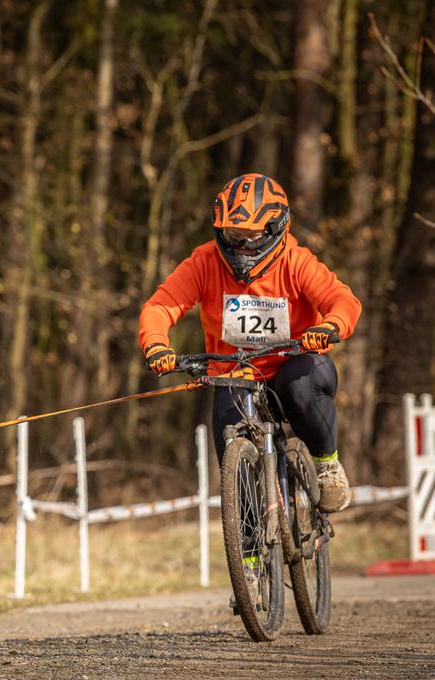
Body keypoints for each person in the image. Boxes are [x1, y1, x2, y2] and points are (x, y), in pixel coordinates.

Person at [138, 172, 362, 514]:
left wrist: (331, 325)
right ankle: (248, 542)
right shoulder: (204, 262)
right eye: (233, 236)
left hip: (294, 364)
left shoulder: (296, 261)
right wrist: (156, 345)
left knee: (300, 390)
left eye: (252, 237)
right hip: (235, 372)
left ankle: (327, 464)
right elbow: (160, 306)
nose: (241, 248)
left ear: (275, 229)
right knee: (233, 462)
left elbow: (343, 300)